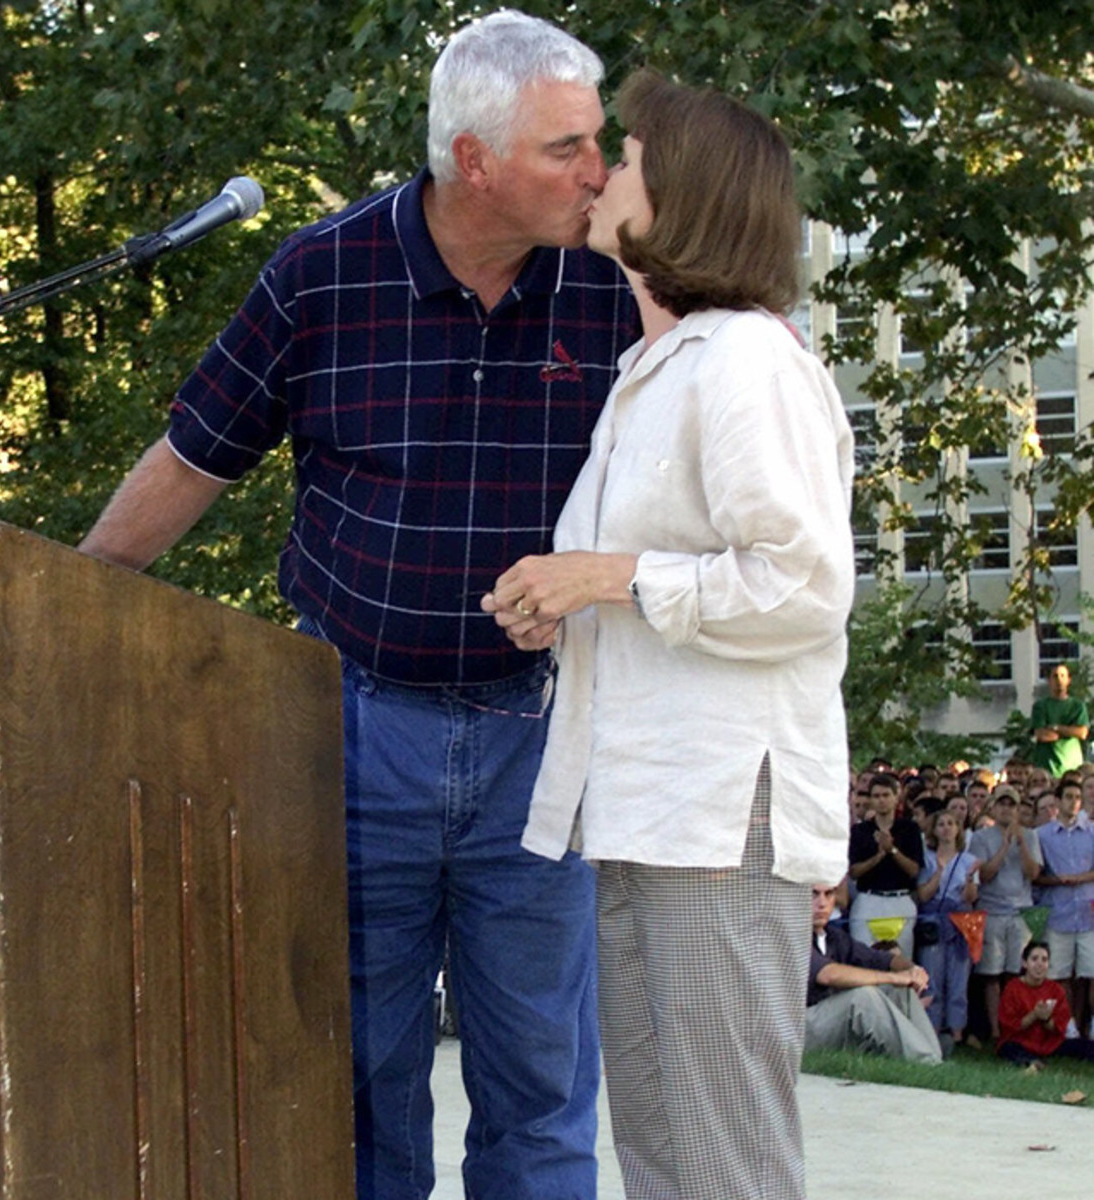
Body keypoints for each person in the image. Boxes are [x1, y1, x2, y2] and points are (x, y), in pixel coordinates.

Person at [76, 12, 640, 1199]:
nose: (597, 171)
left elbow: (732, 423)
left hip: (548, 739)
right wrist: (72, 606)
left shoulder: (618, 282)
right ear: (473, 160)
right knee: (355, 1096)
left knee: (540, 1099)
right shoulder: (321, 272)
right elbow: (193, 458)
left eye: (600, 143)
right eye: (566, 149)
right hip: (351, 738)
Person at [483, 70, 855, 1200]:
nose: (603, 172)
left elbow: (800, 585)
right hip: (646, 809)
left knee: (720, 1156)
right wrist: (561, 605)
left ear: (681, 199)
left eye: (629, 156)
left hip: (719, 816)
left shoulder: (748, 361)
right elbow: (664, 587)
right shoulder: (655, 370)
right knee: (663, 1149)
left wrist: (604, 574)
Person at [807, 885, 942, 1064]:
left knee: (900, 990)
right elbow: (828, 974)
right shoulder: (790, 934)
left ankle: (934, 1060)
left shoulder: (833, 936)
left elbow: (882, 959)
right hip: (795, 1030)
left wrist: (913, 970)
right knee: (863, 997)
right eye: (814, 894)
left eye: (828, 894)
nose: (822, 903)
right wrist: (895, 977)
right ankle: (924, 1062)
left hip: (824, 1024)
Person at [968, 786, 1043, 1042]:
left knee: (1015, 973)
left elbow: (1033, 874)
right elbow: (985, 875)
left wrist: (1020, 842)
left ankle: (1015, 1026)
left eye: (1012, 805)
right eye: (1002, 804)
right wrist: (1004, 846)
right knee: (991, 974)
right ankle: (995, 1029)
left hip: (1020, 911)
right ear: (993, 806)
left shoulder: (1030, 836)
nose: (1007, 809)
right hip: (991, 910)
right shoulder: (980, 838)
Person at [915, 809, 978, 1049]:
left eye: (951, 823)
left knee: (958, 979)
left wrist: (971, 880)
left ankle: (957, 1032)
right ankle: (932, 1030)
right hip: (933, 921)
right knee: (933, 977)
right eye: (941, 823)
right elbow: (922, 894)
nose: (946, 828)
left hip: (961, 922)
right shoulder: (926, 859)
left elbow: (971, 897)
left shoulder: (969, 860)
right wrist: (939, 874)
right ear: (934, 829)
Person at [1036, 777, 1094, 1038]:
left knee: (1089, 975)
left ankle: (1087, 1024)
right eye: (1068, 797)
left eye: (1077, 797)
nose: (1074, 802)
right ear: (1058, 801)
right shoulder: (1043, 835)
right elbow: (1035, 874)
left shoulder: (1092, 831)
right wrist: (1058, 880)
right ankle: (1068, 1026)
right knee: (1060, 975)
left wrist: (1079, 878)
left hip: (1088, 914)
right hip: (1058, 913)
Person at [848, 771, 924, 958]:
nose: (881, 800)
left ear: (896, 798)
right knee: (864, 956)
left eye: (886, 795)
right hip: (868, 899)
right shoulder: (860, 831)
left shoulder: (909, 829)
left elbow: (914, 870)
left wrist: (892, 850)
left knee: (900, 958)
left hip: (900, 900)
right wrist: (878, 856)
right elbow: (854, 871)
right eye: (876, 796)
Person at [997, 942, 1094, 1066]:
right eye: (1034, 959)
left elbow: (1060, 1027)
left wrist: (1046, 1019)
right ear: (1025, 963)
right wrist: (1034, 1015)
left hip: (1050, 1043)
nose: (1040, 964)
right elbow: (1010, 1026)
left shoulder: (1056, 990)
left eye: (1044, 960)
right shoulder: (1012, 988)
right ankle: (1031, 1062)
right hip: (1019, 1041)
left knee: (1083, 1045)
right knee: (1008, 1049)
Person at [1029, 664, 1089, 778]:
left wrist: (1056, 728)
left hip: (1071, 766)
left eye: (1062, 676)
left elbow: (1082, 733)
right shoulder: (1040, 706)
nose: (1059, 680)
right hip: (1046, 767)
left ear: (1068, 680)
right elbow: (1041, 735)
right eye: (1055, 676)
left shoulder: (1078, 706)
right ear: (1049, 681)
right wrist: (1069, 731)